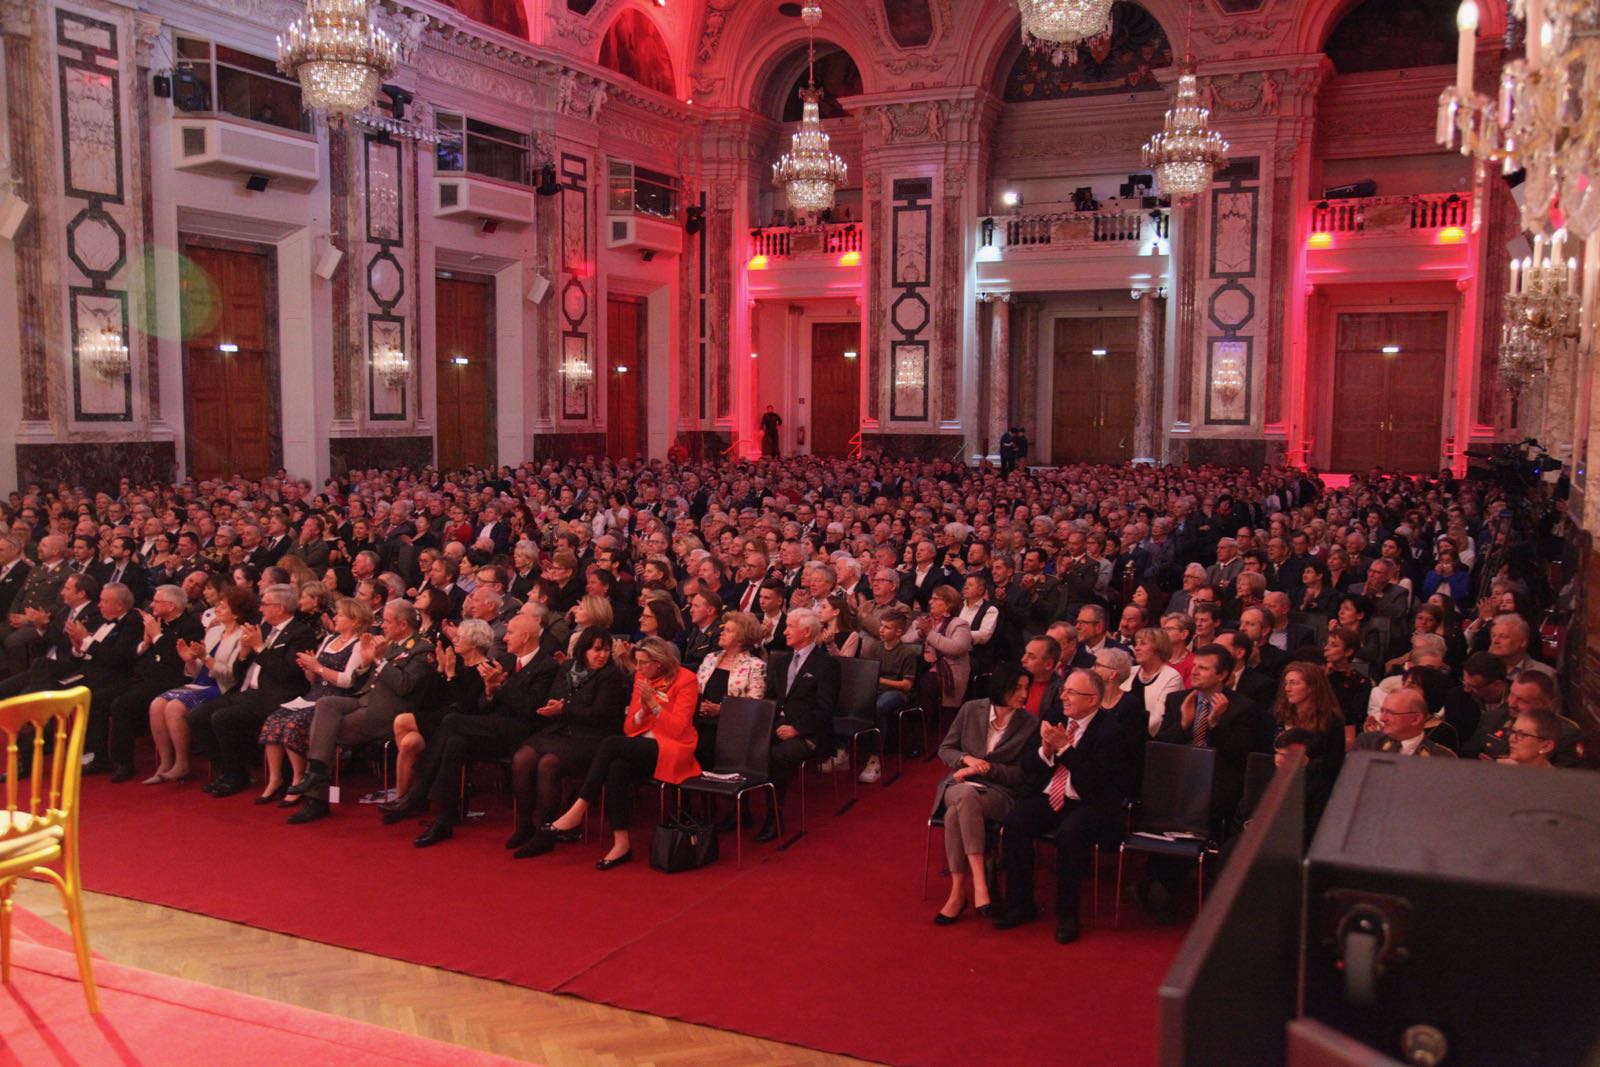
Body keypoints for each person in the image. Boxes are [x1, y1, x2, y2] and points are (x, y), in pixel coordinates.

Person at [379, 610, 559, 844]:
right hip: (494, 727)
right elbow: (483, 705)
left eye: (510, 633)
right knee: (455, 743)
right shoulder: (505, 661)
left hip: (523, 732)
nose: (505, 638)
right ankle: (444, 820)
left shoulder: (547, 666)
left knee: (452, 721)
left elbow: (530, 708)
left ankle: (418, 792)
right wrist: (490, 690)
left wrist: (501, 686)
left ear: (525, 637)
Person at [993, 668, 1135, 944]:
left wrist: (1065, 750)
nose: (1064, 697)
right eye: (1064, 690)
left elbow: (1095, 783)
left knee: (1071, 833)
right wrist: (1046, 751)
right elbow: (1027, 764)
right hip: (1049, 796)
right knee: (1015, 822)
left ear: (1092, 699)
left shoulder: (1112, 731)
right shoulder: (1054, 717)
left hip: (1089, 803)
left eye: (1071, 692)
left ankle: (1068, 915)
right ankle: (1020, 904)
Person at [534, 637, 701, 868]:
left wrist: (654, 706)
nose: (638, 668)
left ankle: (578, 809)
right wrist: (643, 712)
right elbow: (630, 727)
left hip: (673, 748)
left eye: (643, 663)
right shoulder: (642, 677)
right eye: (637, 662)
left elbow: (679, 729)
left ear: (659, 663)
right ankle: (621, 844)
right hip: (641, 745)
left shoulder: (686, 679)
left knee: (611, 744)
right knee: (616, 767)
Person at [285, 598, 437, 824]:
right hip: (365, 699)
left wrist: (379, 660)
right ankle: (315, 773)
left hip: (390, 713)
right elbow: (359, 681)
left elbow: (404, 686)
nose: (382, 626)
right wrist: (366, 663)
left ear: (403, 624)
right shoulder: (391, 644)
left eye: (387, 621)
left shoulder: (422, 649)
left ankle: (316, 796)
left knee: (323, 733)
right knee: (326, 704)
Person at [505, 627, 629, 856]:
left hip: (591, 737)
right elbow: (552, 699)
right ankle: (524, 825)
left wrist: (565, 708)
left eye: (606, 650)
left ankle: (546, 831)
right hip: (560, 730)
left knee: (548, 764)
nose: (602, 655)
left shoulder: (611, 676)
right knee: (522, 758)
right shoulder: (567, 668)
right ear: (584, 650)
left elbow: (599, 714)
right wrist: (553, 708)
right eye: (597, 649)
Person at [930, 665, 1038, 924]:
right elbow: (945, 749)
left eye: (1026, 688)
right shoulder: (971, 709)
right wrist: (967, 760)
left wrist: (987, 768)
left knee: (957, 810)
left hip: (999, 792)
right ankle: (980, 881)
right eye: (1017, 688)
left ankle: (959, 892)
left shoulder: (1029, 724)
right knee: (964, 796)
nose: (1024, 694)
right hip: (960, 784)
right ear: (1001, 687)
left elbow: (1021, 774)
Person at [193, 584, 320, 797]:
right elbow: (238, 671)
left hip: (276, 695)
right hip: (247, 691)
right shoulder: (264, 628)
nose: (260, 609)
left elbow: (286, 673)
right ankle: (225, 770)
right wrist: (244, 653)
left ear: (279, 608)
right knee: (197, 717)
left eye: (265, 604)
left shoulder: (301, 633)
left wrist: (260, 648)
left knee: (223, 718)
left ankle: (236, 775)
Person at [255, 596, 372, 804]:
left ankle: (299, 779)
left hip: (336, 700)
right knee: (274, 720)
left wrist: (317, 667)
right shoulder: (329, 640)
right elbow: (314, 677)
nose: (335, 618)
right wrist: (309, 669)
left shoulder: (359, 645)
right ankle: (275, 779)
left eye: (340, 615)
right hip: (314, 693)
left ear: (354, 620)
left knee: (293, 725)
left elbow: (347, 681)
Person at [144, 585, 254, 784]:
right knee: (157, 704)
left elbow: (231, 675)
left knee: (174, 707)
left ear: (236, 613)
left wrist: (205, 658)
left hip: (222, 687)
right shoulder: (214, 632)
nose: (217, 609)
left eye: (223, 606)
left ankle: (182, 763)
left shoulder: (242, 636)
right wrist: (189, 660)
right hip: (201, 682)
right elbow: (196, 672)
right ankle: (165, 762)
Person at [758, 608, 840, 841]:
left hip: (810, 732)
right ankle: (741, 810)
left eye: (790, 627)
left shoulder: (826, 664)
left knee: (777, 756)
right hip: (778, 725)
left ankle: (775, 816)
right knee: (746, 747)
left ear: (806, 631)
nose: (784, 631)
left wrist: (797, 729)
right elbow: (770, 699)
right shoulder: (781, 661)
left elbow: (825, 709)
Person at [390, 617, 494, 799]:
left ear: (475, 643)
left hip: (460, 725)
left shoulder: (485, 669)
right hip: (439, 720)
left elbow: (466, 708)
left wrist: (451, 676)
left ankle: (414, 797)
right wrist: (440, 669)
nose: (455, 640)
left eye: (460, 637)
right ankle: (404, 798)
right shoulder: (455, 663)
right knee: (409, 743)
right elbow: (427, 701)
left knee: (402, 721)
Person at [692, 610, 766, 771]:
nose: (722, 633)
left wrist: (721, 709)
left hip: (730, 724)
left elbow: (754, 704)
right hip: (700, 718)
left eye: (728, 630)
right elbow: (694, 689)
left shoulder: (755, 665)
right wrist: (699, 706)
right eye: (723, 629)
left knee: (703, 741)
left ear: (742, 638)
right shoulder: (710, 658)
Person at [1270, 663, 1346, 815]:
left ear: (1312, 687)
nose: (1287, 688)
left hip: (1313, 792)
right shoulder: (1279, 714)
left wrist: (1307, 763)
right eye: (1286, 683)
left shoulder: (1331, 720)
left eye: (1294, 683)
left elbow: (1334, 764)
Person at [913, 585, 973, 730]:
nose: (930, 602)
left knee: (926, 683)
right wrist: (921, 633)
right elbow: (904, 640)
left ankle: (925, 731)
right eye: (931, 598)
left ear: (948, 604)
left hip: (949, 670)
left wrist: (929, 633)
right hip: (923, 666)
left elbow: (956, 648)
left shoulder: (960, 624)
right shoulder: (926, 621)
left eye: (935, 599)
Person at [1354, 686, 1456, 757]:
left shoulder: (1442, 757)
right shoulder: (1368, 744)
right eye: (1382, 711)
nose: (1382, 718)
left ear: (1415, 719)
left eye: (1390, 713)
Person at [1123, 626, 1182, 738]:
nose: (1136, 648)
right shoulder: (1130, 672)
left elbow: (1158, 719)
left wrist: (1127, 733)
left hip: (1151, 737)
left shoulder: (1172, 677)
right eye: (1136, 644)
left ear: (1158, 648)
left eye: (1143, 643)